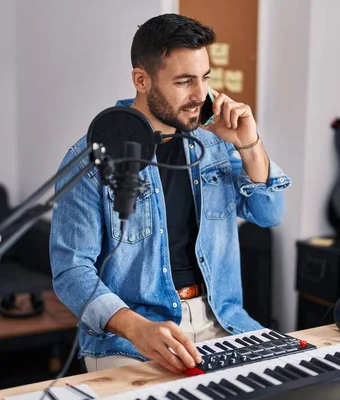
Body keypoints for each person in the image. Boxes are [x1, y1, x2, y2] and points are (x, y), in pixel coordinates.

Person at [49, 13, 291, 374]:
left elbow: (269, 213)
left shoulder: (216, 143)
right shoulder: (93, 155)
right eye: (184, 81)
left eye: (205, 79)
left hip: (224, 323)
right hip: (130, 338)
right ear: (141, 79)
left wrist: (249, 144)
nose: (200, 95)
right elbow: (70, 271)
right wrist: (137, 328)